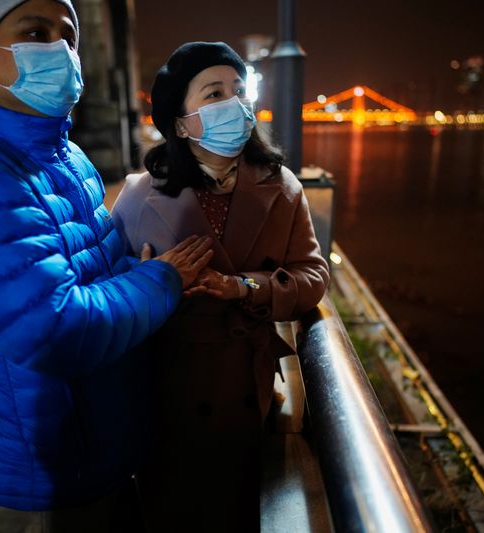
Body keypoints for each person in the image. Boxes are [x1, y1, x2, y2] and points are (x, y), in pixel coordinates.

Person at [0, 1, 213, 531]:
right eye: (35, 32)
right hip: (52, 472)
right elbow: (51, 327)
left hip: (105, 445)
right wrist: (163, 279)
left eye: (68, 36)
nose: (61, 52)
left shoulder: (66, 157)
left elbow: (108, 269)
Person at [111, 41, 330, 532]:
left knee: (234, 507)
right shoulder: (139, 192)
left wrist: (242, 287)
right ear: (181, 121)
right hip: (163, 382)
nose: (235, 104)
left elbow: (313, 276)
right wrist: (153, 276)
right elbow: (106, 278)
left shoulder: (283, 187)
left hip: (242, 383)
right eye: (214, 93)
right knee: (169, 509)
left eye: (238, 90)